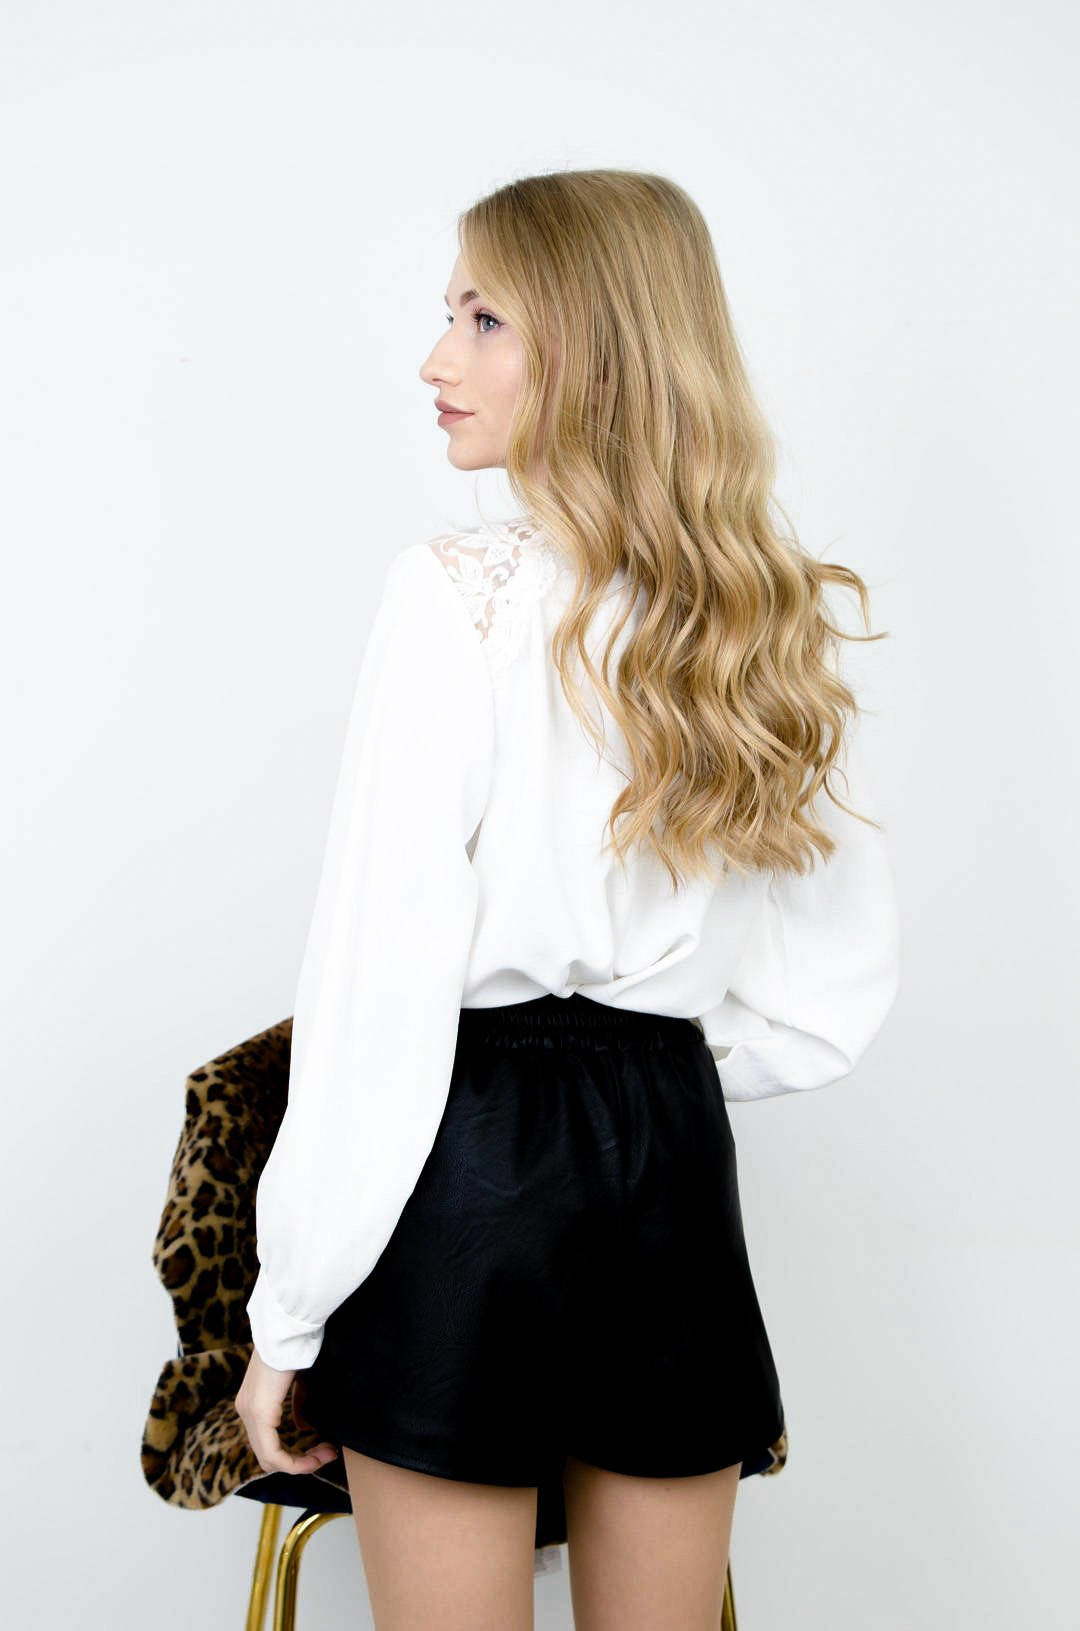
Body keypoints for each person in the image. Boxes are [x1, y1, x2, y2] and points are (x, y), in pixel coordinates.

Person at [235, 168, 901, 1630]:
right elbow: (826, 1004)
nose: (437, 358)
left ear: (594, 349)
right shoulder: (763, 613)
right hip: (668, 1164)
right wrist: (642, 1059)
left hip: (464, 1160)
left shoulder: (452, 593)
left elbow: (381, 993)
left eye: (485, 319)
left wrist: (287, 1315)